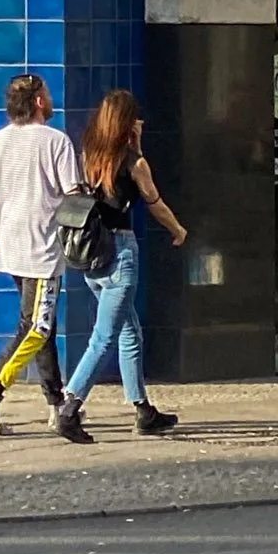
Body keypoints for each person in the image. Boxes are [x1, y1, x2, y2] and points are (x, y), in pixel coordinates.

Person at [55, 89, 187, 444]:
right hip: (120, 255)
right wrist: (178, 230)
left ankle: (143, 409)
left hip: (93, 254)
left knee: (130, 332)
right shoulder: (134, 164)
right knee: (104, 338)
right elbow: (154, 202)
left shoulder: (90, 156)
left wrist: (136, 146)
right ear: (128, 122)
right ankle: (69, 408)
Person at [0, 72, 80, 436]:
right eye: (47, 93)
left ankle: (55, 403)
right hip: (41, 248)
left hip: (11, 244)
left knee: (41, 326)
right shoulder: (55, 141)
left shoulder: (0, 140)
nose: (51, 98)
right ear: (38, 102)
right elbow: (73, 195)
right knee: (37, 327)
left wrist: (12, 194)